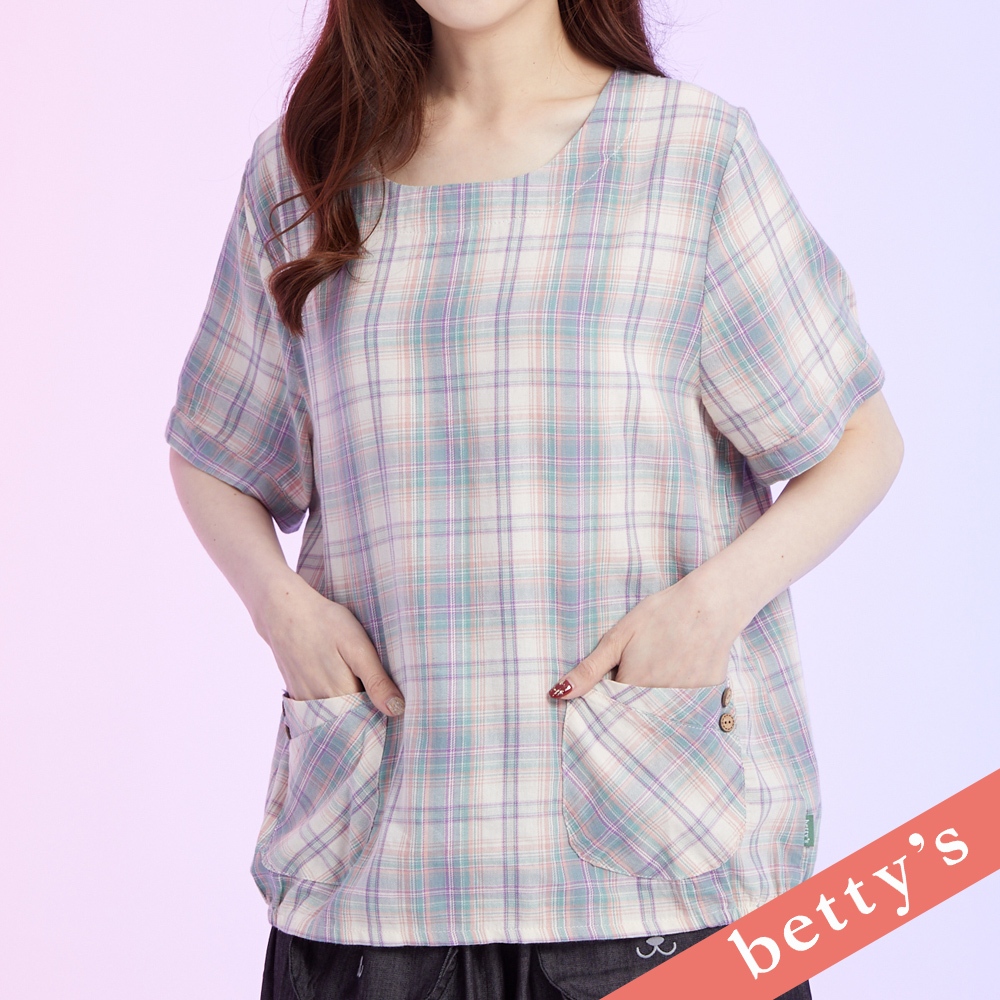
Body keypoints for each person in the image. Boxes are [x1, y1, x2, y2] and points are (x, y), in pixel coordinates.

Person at [165, 0, 904, 997]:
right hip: (377, 868)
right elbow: (215, 451)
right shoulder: (306, 170)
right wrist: (278, 606)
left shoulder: (690, 155)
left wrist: (709, 606)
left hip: (657, 868)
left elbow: (858, 441)